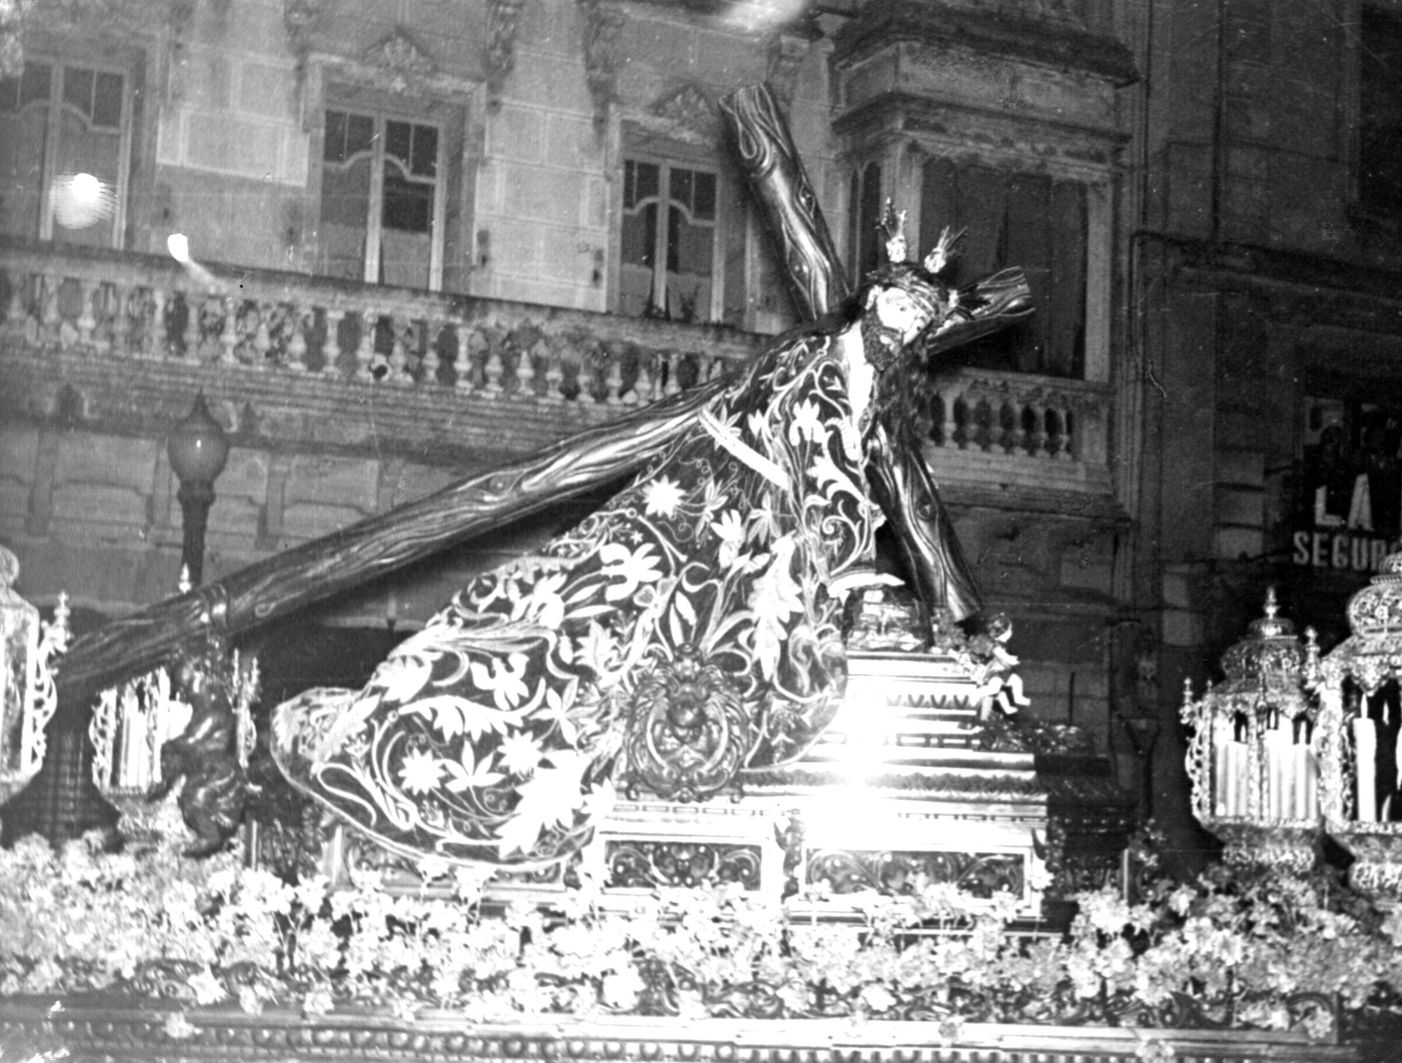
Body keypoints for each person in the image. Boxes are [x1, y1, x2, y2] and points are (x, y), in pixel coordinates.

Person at [270, 220, 1014, 872]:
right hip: (709, 501)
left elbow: (835, 468)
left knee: (647, 629)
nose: (907, 324)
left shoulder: (864, 379)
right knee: (587, 607)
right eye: (902, 304)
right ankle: (430, 725)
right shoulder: (821, 362)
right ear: (875, 296)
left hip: (746, 521)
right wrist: (852, 563)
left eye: (920, 320)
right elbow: (822, 462)